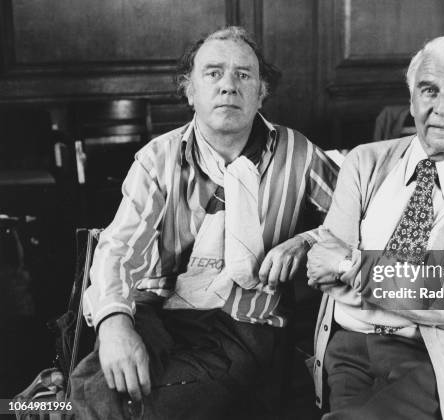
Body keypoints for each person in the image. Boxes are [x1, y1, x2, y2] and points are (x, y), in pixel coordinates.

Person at [70, 26, 338, 419]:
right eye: (213, 73)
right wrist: (113, 323)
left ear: (261, 91)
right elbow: (118, 247)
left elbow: (360, 221)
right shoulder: (158, 157)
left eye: (243, 75)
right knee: (96, 383)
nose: (228, 86)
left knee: (154, 405)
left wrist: (306, 241)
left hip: (243, 323)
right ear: (190, 90)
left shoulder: (299, 153)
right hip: (157, 310)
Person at [305, 36, 444, 420]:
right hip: (348, 346)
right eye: (429, 90)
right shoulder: (364, 162)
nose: (441, 107)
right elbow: (320, 267)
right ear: (412, 99)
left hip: (433, 359)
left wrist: (350, 266)